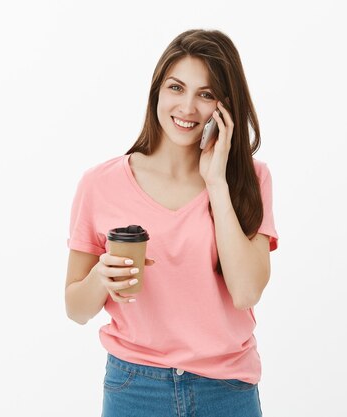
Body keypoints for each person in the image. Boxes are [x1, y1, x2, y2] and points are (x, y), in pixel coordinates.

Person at [64, 29, 278, 417]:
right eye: (176, 88)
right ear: (157, 93)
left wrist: (216, 183)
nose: (188, 107)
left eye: (207, 94)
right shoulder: (100, 183)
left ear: (226, 107)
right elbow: (75, 309)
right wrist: (100, 277)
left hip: (227, 390)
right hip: (134, 388)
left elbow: (246, 292)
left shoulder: (250, 179)